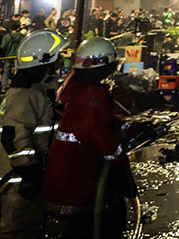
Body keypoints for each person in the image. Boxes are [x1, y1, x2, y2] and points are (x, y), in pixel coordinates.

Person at [42, 37, 149, 238]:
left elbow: (105, 122)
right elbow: (107, 146)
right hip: (83, 188)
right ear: (102, 64)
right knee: (100, 230)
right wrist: (126, 180)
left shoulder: (77, 90)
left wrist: (134, 128)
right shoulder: (91, 97)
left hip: (72, 182)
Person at [0, 29, 68, 238]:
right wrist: (29, 171)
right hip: (18, 179)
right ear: (45, 60)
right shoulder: (23, 93)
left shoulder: (39, 88)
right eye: (59, 57)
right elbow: (13, 135)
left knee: (32, 223)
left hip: (29, 173)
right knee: (18, 227)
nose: (62, 61)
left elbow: (43, 116)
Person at [1, 24, 25, 92]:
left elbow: (3, 46)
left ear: (11, 29)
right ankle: (17, 85)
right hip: (18, 56)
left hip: (8, 56)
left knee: (6, 71)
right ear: (18, 29)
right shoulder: (21, 36)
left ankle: (4, 86)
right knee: (18, 71)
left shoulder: (7, 37)